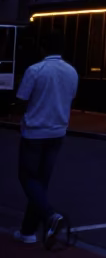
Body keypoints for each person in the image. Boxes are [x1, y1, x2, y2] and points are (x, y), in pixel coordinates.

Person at [14, 30, 78, 247]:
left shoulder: (35, 70)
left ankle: (50, 215)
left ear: (43, 48)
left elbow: (22, 99)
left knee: (27, 177)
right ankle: (28, 231)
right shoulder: (72, 72)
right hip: (58, 130)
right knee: (40, 182)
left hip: (35, 130)